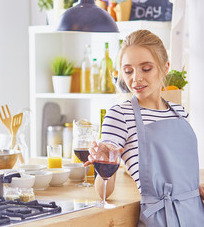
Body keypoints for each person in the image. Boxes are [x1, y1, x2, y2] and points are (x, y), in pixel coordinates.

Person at [85, 29, 204, 226]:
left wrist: (195, 189)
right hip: (160, 219)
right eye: (128, 71)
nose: (136, 78)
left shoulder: (179, 112)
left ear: (165, 68)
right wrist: (104, 162)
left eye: (146, 69)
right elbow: (103, 190)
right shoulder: (119, 115)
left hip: (195, 214)